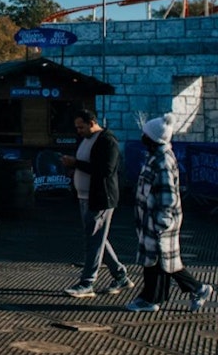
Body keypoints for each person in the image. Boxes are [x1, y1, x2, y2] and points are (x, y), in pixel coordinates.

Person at [127, 114, 214, 312]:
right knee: (164, 261)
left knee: (158, 260)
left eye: (145, 134)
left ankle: (151, 299)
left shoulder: (162, 161)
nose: (142, 136)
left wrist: (162, 222)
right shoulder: (155, 157)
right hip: (151, 219)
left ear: (153, 138)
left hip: (158, 220)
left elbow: (168, 196)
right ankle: (195, 289)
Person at [59, 109, 133, 297]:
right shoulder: (86, 139)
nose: (78, 131)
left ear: (92, 123)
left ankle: (87, 282)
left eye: (81, 127)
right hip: (85, 196)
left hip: (100, 198)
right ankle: (120, 275)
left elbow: (106, 170)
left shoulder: (107, 140)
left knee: (94, 239)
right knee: (97, 238)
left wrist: (75, 164)